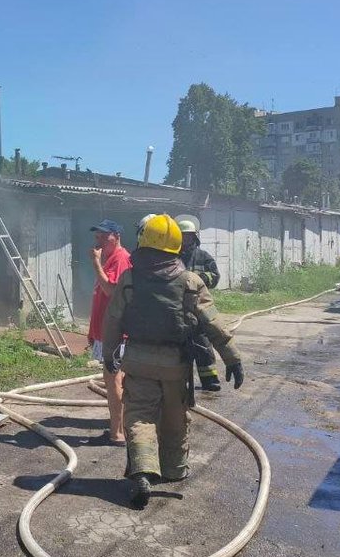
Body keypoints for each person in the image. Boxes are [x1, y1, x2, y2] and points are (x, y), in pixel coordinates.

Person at [101, 213, 244, 506]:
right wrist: (233, 358)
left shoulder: (129, 279)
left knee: (139, 416)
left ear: (143, 242)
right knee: (175, 418)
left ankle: (142, 471)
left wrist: (109, 356)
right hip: (175, 365)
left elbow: (112, 321)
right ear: (177, 247)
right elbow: (212, 323)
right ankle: (175, 470)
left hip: (138, 361)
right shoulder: (190, 282)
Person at [87, 218, 132, 443]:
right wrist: (92, 334)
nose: (100, 240)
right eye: (97, 236)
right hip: (105, 333)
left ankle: (118, 433)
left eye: (105, 236)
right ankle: (118, 428)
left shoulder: (121, 258)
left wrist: (95, 264)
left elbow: (111, 291)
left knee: (114, 381)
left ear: (117, 236)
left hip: (115, 334)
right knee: (113, 380)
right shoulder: (108, 258)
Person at [175, 215, 223, 392]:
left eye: (188, 235)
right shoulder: (172, 256)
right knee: (179, 349)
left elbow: (215, 277)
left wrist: (200, 279)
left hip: (199, 310)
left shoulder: (203, 257)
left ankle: (210, 380)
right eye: (181, 235)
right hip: (179, 311)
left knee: (203, 346)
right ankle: (179, 382)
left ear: (194, 237)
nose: (185, 239)